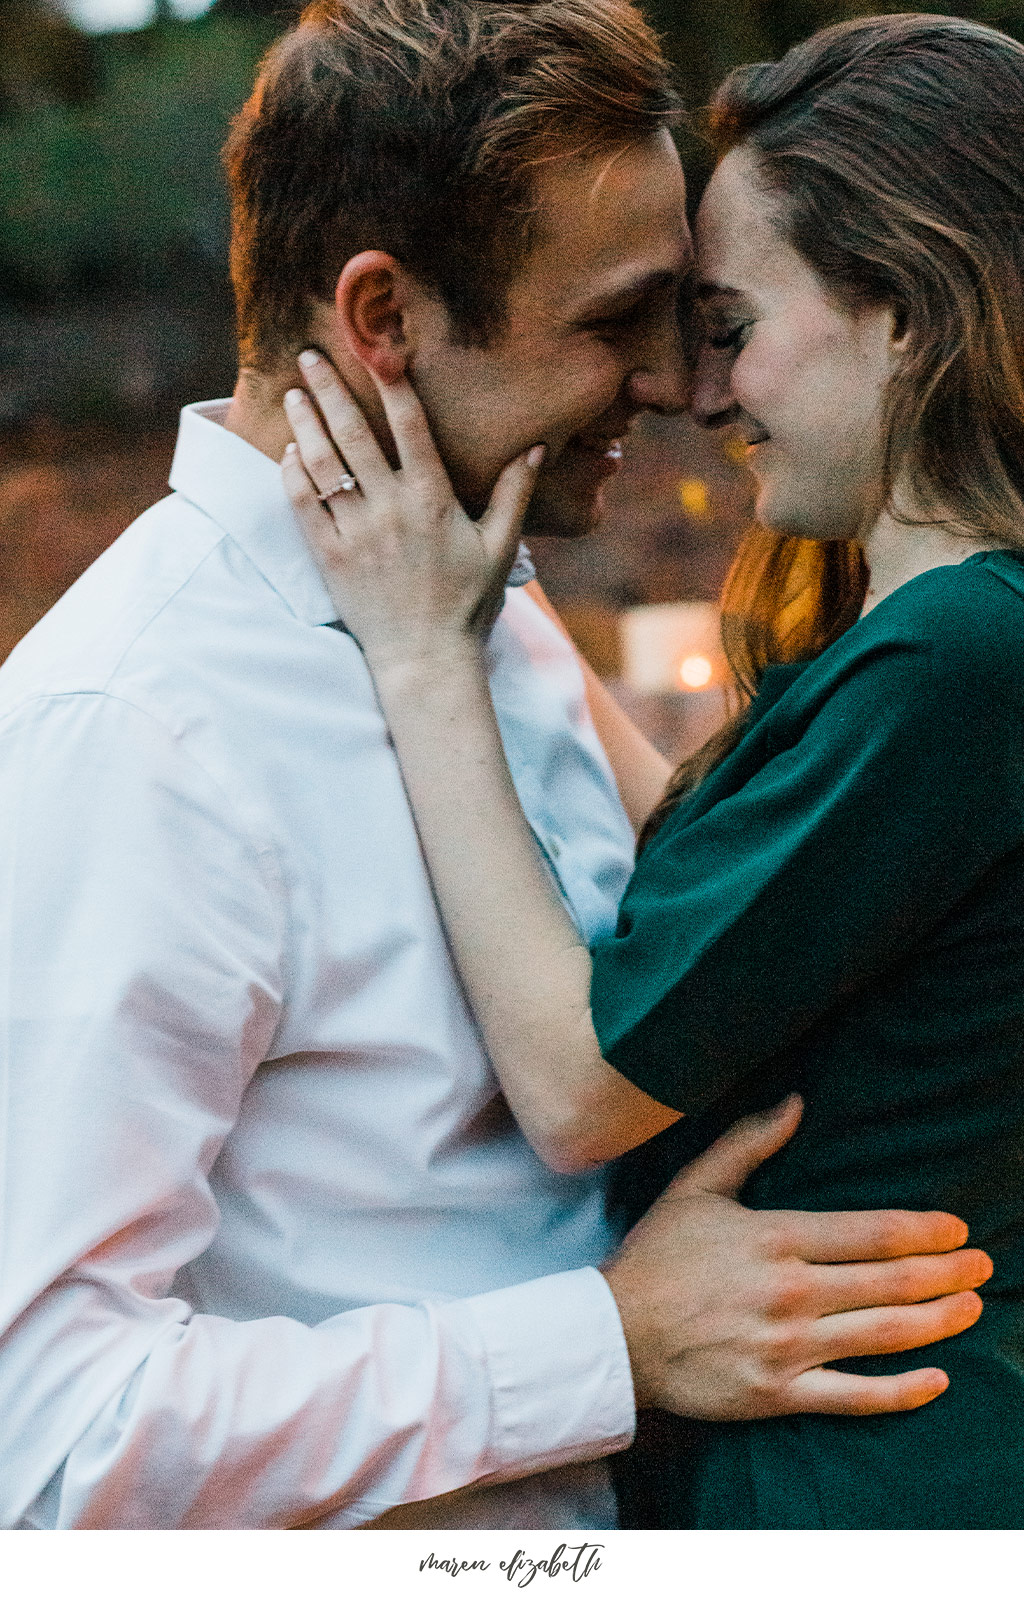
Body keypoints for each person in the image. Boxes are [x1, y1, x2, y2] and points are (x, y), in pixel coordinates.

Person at [0, 1, 989, 1532]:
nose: (677, 383)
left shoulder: (487, 602)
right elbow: (48, 1439)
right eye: (620, 320)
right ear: (383, 320)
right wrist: (602, 1346)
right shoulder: (135, 727)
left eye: (699, 321)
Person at [282, 12, 1024, 1530]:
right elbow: (693, 865)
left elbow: (575, 1084)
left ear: (907, 309)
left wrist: (425, 659)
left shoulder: (963, 660)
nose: (695, 391)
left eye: (732, 327)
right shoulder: (925, 648)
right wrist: (495, 573)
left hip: (870, 1489)